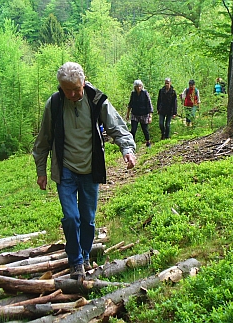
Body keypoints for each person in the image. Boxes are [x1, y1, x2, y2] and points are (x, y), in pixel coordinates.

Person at [32, 62, 136, 281]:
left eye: (76, 89)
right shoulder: (55, 103)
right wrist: (41, 170)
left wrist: (127, 149)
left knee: (88, 219)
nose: (72, 94)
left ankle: (85, 254)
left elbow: (117, 127)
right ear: (60, 86)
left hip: (90, 169)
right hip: (66, 169)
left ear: (84, 81)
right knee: (71, 217)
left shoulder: (96, 99)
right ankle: (76, 261)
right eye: (66, 89)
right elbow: (43, 140)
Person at [126, 80, 154, 147]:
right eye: (137, 86)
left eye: (140, 86)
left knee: (145, 129)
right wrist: (127, 114)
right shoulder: (133, 94)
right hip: (135, 114)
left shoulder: (145, 93)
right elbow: (130, 104)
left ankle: (148, 142)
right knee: (133, 129)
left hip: (144, 114)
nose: (139, 88)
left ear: (142, 86)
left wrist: (150, 116)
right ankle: (132, 144)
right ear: (135, 87)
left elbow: (149, 104)